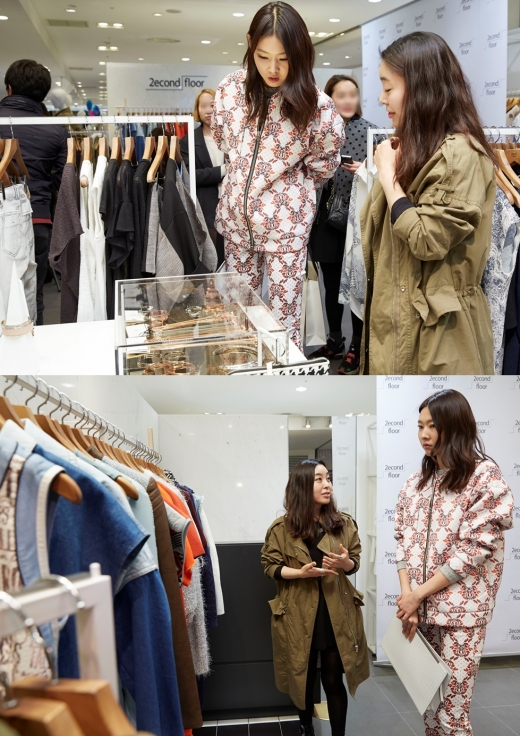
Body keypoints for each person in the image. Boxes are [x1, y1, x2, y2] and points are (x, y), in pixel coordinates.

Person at [361, 32, 496, 374]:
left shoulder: (461, 155)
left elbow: (428, 239)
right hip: (400, 326)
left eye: (388, 87)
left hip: (440, 338)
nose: (381, 98)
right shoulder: (414, 149)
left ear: (421, 88)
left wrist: (389, 178)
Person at [212, 1, 344, 349]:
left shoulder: (317, 106)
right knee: (237, 317)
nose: (273, 68)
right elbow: (223, 141)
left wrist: (287, 191)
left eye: (284, 58)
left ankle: (284, 379)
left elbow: (324, 164)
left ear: (299, 52)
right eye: (263, 56)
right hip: (237, 223)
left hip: (286, 228)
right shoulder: (230, 90)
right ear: (249, 44)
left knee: (285, 321)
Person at [394, 389, 513, 735]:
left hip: (462, 615)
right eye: (420, 426)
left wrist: (416, 595)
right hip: (421, 612)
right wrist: (409, 599)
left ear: (456, 425)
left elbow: (474, 549)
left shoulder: (484, 477)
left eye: (433, 425)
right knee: (430, 709)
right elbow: (401, 541)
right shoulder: (415, 484)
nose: (425, 434)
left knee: (453, 716)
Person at [261, 459, 369, 736]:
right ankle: (306, 727)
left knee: (333, 681)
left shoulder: (342, 523)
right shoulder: (282, 528)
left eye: (328, 478)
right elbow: (270, 566)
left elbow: (354, 563)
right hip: (298, 613)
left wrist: (345, 563)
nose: (327, 485)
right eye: (318, 479)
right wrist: (300, 573)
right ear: (301, 486)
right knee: (303, 679)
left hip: (335, 613)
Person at [308, 75, 377, 374]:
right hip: (325, 219)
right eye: (342, 95)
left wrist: (366, 170)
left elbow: (387, 176)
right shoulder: (318, 130)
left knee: (358, 285)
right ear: (330, 98)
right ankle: (335, 339)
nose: (349, 100)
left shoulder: (372, 132)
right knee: (331, 283)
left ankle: (357, 346)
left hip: (358, 218)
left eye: (353, 94)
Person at [0, 59, 67, 325]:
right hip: (36, 218)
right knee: (31, 293)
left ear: (9, 88)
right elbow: (62, 182)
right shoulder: (56, 131)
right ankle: (31, 346)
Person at [180, 88, 226, 268]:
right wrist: (222, 171)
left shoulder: (232, 137)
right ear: (197, 110)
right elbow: (190, 175)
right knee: (212, 260)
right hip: (206, 208)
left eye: (212, 105)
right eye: (203, 106)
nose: (208, 110)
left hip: (233, 207)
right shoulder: (189, 140)